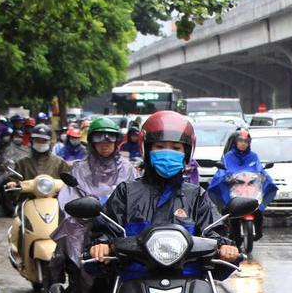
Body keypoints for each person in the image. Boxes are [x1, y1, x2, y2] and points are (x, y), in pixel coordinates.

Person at [88, 111, 239, 265]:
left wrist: (224, 246)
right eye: (160, 146)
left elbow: (213, 231)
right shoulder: (126, 192)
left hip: (189, 279)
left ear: (186, 153)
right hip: (134, 278)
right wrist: (102, 244)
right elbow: (107, 229)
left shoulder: (196, 196)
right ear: (147, 150)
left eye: (175, 148)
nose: (168, 153)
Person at [49, 117, 136, 293]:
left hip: (119, 228)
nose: (105, 144)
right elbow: (68, 200)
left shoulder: (128, 169)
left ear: (116, 141)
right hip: (86, 225)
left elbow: (138, 197)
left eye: (109, 139)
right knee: (73, 254)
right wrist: (88, 210)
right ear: (92, 142)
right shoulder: (79, 169)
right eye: (99, 138)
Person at [207, 128, 277, 238]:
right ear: (236, 142)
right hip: (234, 190)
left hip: (251, 189)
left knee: (258, 210)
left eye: (246, 142)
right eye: (241, 141)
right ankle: (233, 235)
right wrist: (226, 177)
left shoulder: (253, 156)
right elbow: (223, 170)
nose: (243, 144)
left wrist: (263, 176)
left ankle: (259, 231)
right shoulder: (228, 156)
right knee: (232, 215)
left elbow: (259, 169)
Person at [8, 125, 71, 191]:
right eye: (37, 140)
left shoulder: (59, 162)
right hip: (28, 197)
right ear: (32, 141)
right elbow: (14, 179)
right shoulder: (22, 162)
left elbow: (69, 180)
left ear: (49, 141)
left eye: (44, 140)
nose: (40, 143)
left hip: (54, 198)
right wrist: (12, 183)